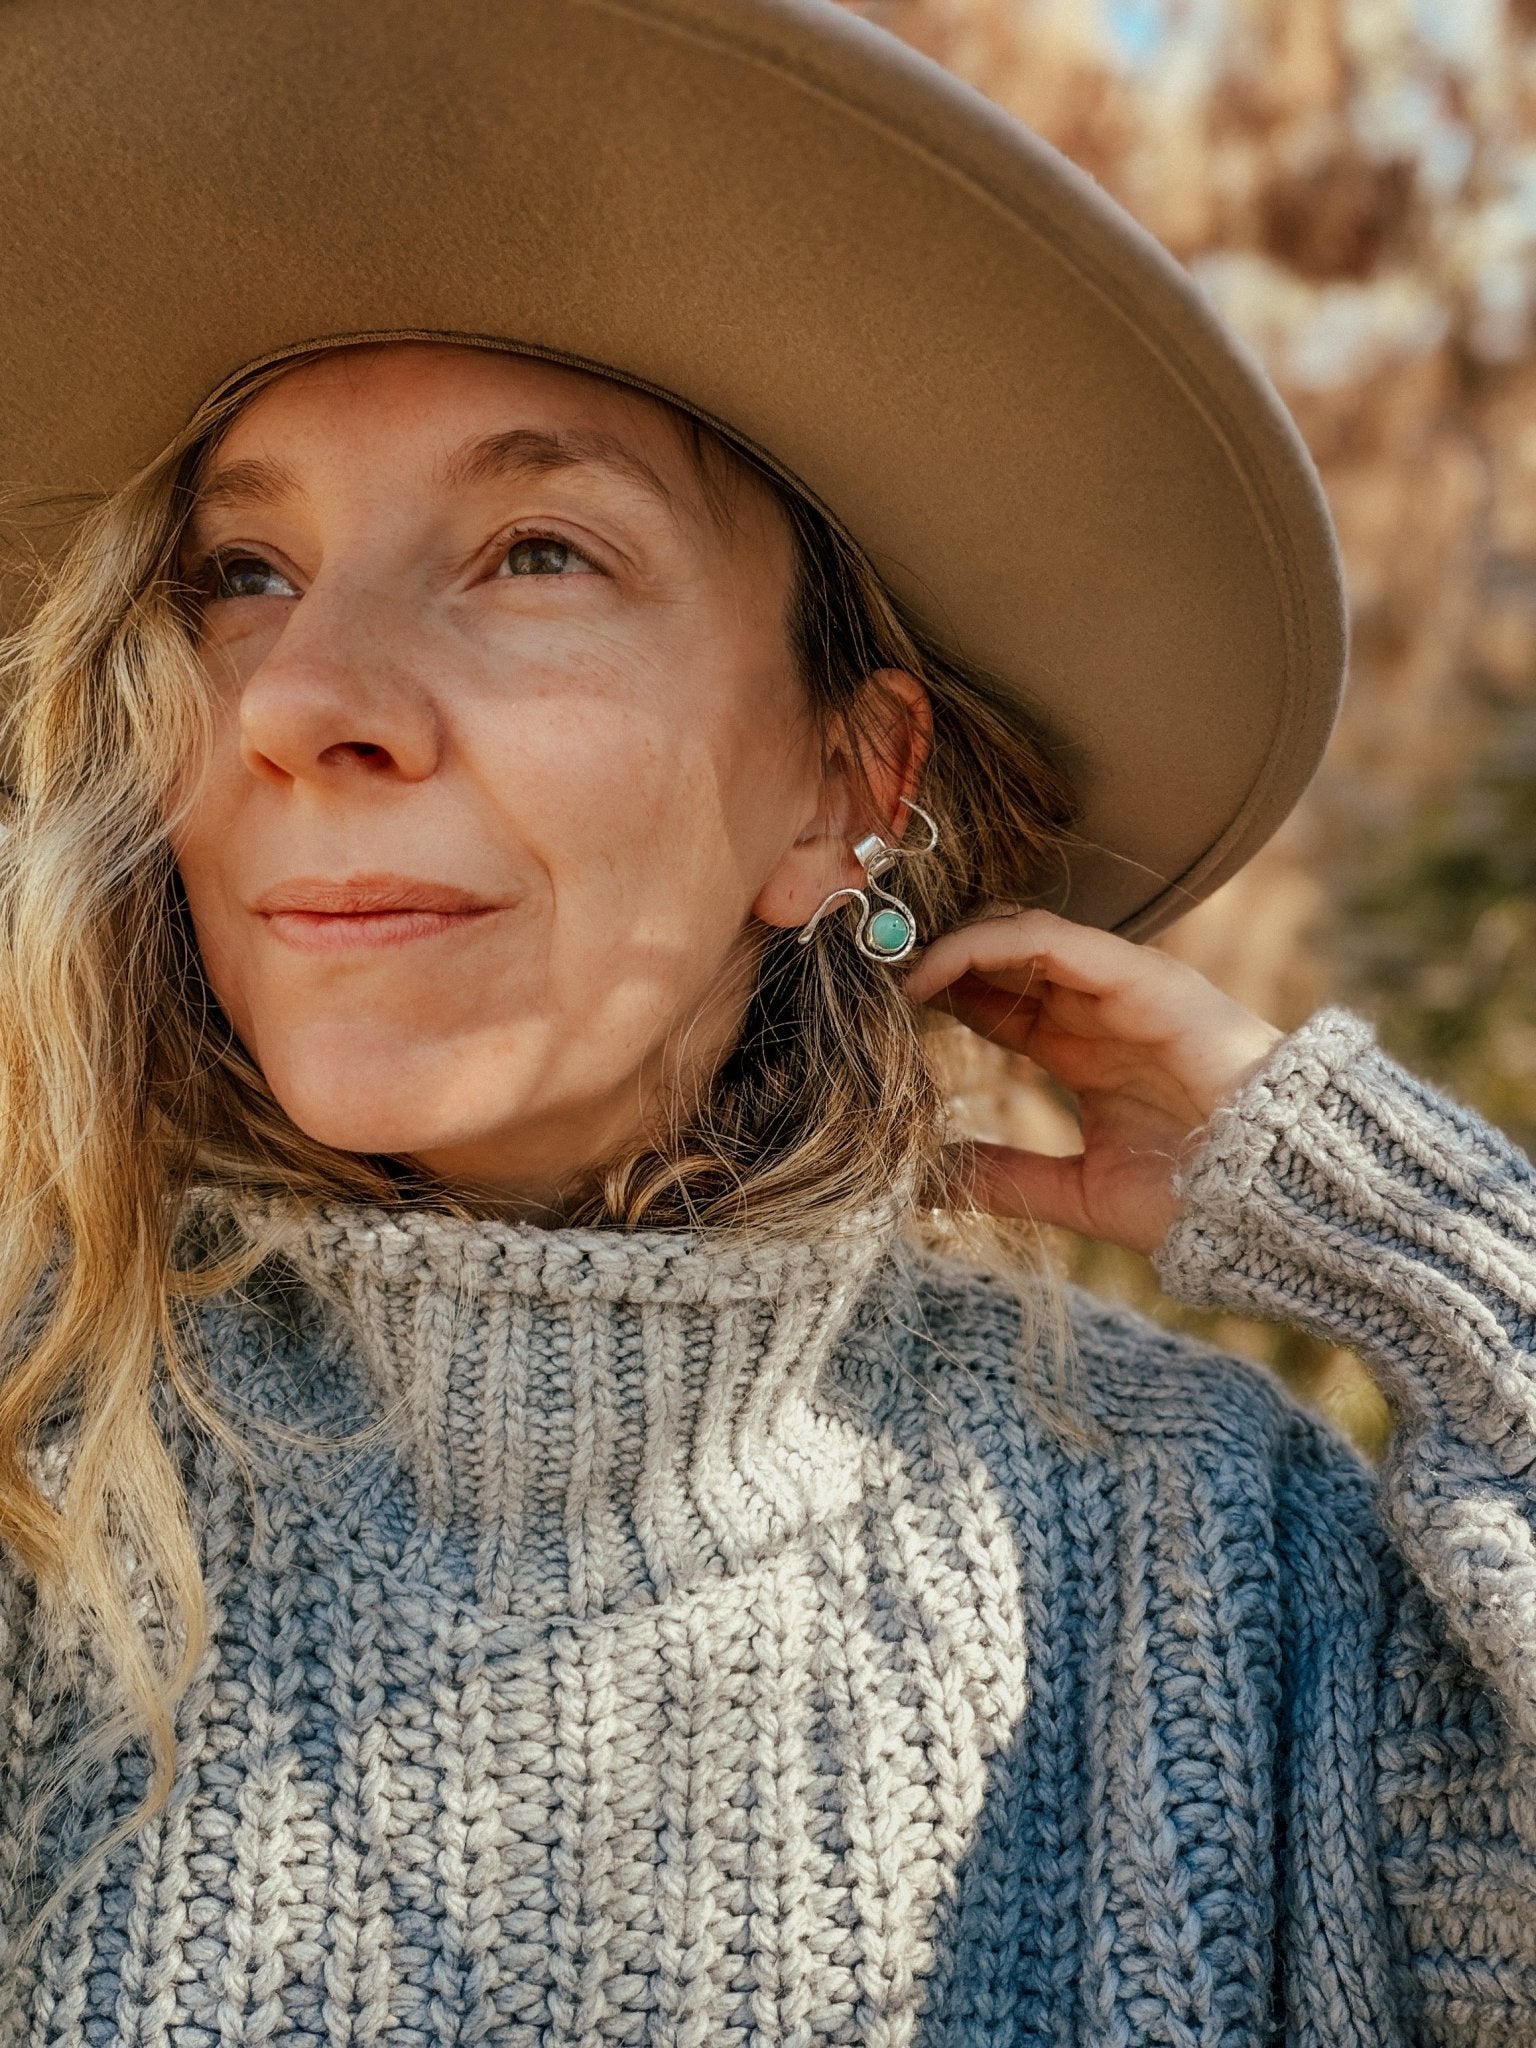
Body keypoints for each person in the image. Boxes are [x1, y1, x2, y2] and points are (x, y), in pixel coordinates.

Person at [0, 2, 1531, 2044]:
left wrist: (1414, 1236)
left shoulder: (1213, 1560)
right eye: (242, 570)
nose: (295, 698)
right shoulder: (43, 1489)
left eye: (536, 550)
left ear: (847, 789)